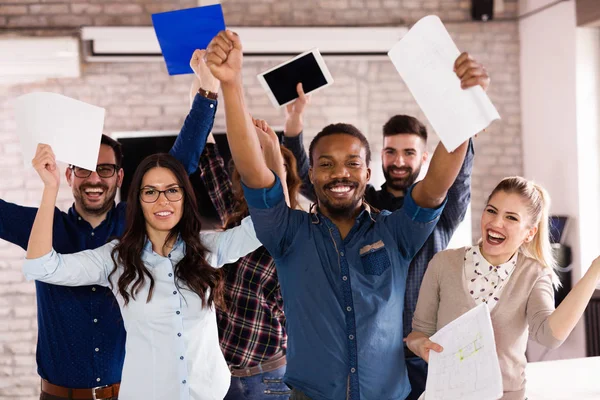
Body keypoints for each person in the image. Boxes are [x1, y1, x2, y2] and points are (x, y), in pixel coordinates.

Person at [205, 29, 475, 400]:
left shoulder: (397, 233)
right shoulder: (287, 233)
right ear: (311, 174)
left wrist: (461, 104)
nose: (340, 173)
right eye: (326, 165)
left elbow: (436, 185)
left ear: (367, 173)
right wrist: (231, 85)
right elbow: (254, 172)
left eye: (352, 163)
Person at [1, 51, 219, 400]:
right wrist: (47, 186)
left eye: (104, 169)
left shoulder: (138, 220)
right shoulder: (41, 226)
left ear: (119, 176)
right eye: (83, 169)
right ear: (68, 173)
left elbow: (182, 160)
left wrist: (207, 94)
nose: (94, 179)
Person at [282, 55, 488, 399]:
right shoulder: (365, 205)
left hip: (425, 347)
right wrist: (294, 125)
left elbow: (452, 175)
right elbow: (312, 180)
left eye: (409, 152)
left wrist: (463, 119)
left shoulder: (439, 208)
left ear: (425, 157)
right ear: (376, 161)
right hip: (368, 352)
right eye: (391, 152)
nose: (399, 160)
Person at [22, 146, 264, 400]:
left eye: (172, 190)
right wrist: (50, 188)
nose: (162, 201)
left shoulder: (208, 248)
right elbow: (42, 266)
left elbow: (265, 226)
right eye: (150, 192)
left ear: (184, 197)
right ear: (138, 200)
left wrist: (266, 160)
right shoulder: (116, 258)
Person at [407, 176, 600, 400]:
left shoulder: (534, 274)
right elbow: (418, 332)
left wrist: (595, 270)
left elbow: (550, 337)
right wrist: (421, 345)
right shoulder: (443, 263)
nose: (496, 223)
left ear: (530, 232)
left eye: (511, 217)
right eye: (491, 211)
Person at [198, 112, 302, 398]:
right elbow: (209, 162)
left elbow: (276, 204)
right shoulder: (235, 217)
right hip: (221, 373)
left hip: (268, 379)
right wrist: (203, 94)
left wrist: (270, 148)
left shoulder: (297, 230)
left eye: (265, 173)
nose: (257, 182)